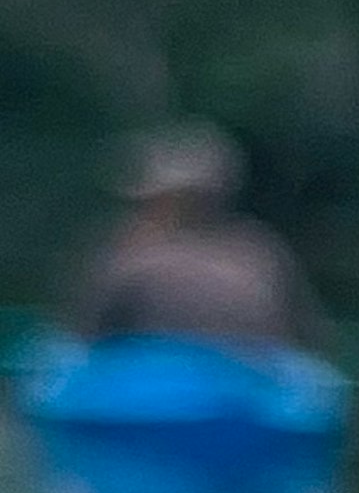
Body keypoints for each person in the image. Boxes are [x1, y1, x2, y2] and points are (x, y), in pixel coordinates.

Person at [61, 123, 319, 357]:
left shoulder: (133, 253)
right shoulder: (260, 249)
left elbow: (84, 333)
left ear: (170, 199)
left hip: (142, 394)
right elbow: (304, 337)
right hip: (246, 395)